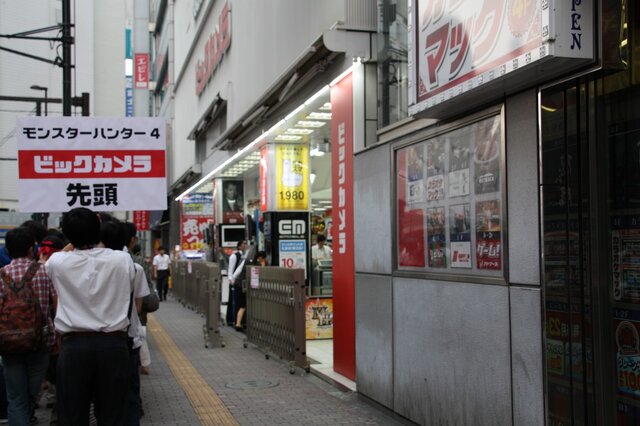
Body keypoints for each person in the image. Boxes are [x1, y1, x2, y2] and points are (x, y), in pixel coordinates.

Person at [45, 207, 136, 425]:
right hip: (113, 346)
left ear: (67, 234)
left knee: (72, 417)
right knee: (115, 416)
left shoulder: (57, 262)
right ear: (98, 230)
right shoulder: (122, 259)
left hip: (74, 347)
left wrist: (74, 239)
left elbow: (51, 261)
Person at [1, 226, 57, 425]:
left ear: (8, 250)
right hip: (40, 340)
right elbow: (54, 302)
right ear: (31, 249)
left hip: (8, 343)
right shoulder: (43, 272)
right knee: (30, 395)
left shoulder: (1, 274)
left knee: (16, 398)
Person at [101, 220, 149, 425]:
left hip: (93, 341)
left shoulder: (82, 264)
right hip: (126, 340)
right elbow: (138, 307)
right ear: (129, 241)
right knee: (129, 395)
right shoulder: (134, 267)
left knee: (102, 398)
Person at [228, 240, 247, 330]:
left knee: (239, 303)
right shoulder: (234, 256)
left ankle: (239, 321)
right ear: (239, 246)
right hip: (235, 282)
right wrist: (231, 279)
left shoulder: (246, 256)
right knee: (235, 302)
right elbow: (231, 270)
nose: (245, 245)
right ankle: (232, 320)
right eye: (243, 244)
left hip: (239, 282)